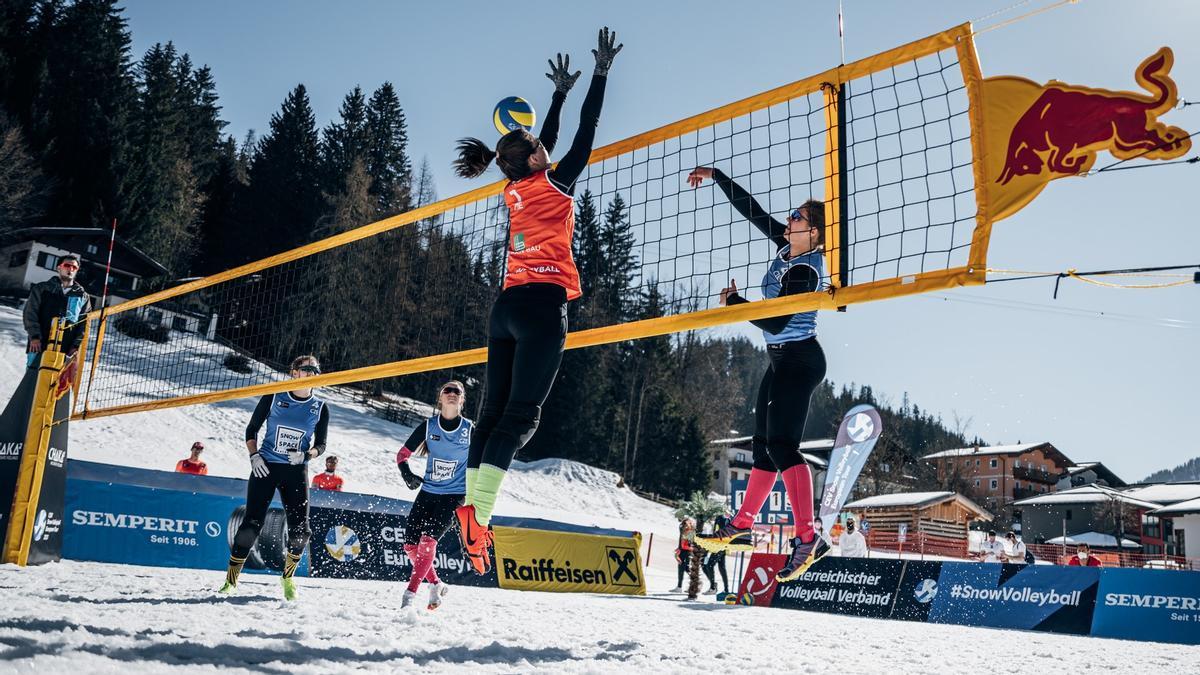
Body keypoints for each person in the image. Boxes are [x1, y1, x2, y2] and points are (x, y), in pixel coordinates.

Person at [451, 27, 623, 575]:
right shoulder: (556, 183)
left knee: (492, 417)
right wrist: (598, 75)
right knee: (518, 421)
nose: (543, 147)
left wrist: (557, 97)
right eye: (537, 147)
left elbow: (540, 146)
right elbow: (584, 133)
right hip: (543, 308)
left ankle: (470, 516)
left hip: (507, 307)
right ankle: (478, 515)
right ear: (533, 158)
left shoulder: (514, 186)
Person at [688, 166, 829, 583]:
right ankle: (742, 523)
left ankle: (808, 537)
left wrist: (736, 304)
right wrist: (716, 176)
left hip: (800, 358)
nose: (789, 220)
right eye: (792, 216)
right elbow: (753, 211)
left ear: (815, 233)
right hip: (780, 361)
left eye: (798, 217)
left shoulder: (805, 269)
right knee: (764, 446)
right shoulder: (788, 248)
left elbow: (776, 323)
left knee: (785, 447)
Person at [219, 355, 329, 601]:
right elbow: (252, 429)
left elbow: (321, 444)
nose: (311, 372)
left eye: (315, 369)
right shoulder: (274, 395)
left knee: (301, 531)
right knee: (250, 526)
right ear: (294, 372)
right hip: (265, 467)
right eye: (306, 368)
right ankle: (231, 580)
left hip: (295, 470)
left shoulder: (320, 407)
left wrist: (306, 454)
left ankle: (288, 578)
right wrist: (254, 456)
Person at [394, 380, 472, 610]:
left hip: (454, 496)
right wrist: (406, 473)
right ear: (440, 397)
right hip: (428, 492)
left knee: (428, 541)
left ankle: (409, 594)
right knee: (410, 546)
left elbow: (480, 465)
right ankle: (435, 584)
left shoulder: (469, 429)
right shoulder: (429, 426)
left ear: (462, 399)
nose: (451, 394)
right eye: (446, 390)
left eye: (456, 391)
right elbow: (401, 454)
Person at [23, 253, 91, 368]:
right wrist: (34, 337)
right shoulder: (42, 288)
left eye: (74, 267)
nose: (71, 269)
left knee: (59, 385)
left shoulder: (83, 297)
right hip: (39, 345)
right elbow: (30, 314)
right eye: (67, 265)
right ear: (59, 268)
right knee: (33, 382)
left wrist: (75, 346)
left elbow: (84, 323)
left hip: (66, 351)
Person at [701, 513, 731, 595]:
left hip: (719, 546)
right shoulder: (724, 518)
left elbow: (720, 533)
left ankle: (713, 587)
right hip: (722, 546)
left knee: (708, 565)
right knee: (722, 568)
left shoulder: (720, 518)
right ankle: (726, 589)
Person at [671, 518, 695, 593]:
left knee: (686, 568)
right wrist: (679, 548)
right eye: (683, 524)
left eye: (686, 524)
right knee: (681, 568)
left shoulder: (691, 532)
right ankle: (679, 587)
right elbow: (681, 541)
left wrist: (684, 548)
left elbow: (690, 544)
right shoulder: (683, 531)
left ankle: (693, 586)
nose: (684, 526)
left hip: (687, 552)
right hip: (682, 551)